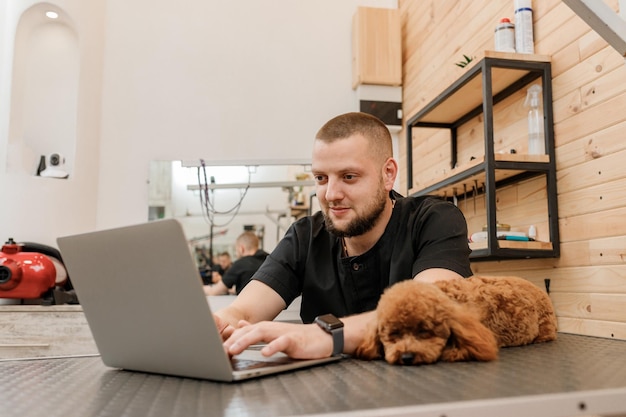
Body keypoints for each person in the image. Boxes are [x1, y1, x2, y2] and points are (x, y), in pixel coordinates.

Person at [214, 112, 472, 361]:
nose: (330, 194)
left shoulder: (435, 221)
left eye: (349, 177)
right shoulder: (304, 237)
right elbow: (244, 311)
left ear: (388, 174)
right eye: (321, 178)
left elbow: (428, 308)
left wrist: (324, 337)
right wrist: (218, 325)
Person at [204, 232, 269, 296]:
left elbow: (214, 291)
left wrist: (201, 288)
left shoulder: (241, 264)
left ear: (241, 249)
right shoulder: (269, 260)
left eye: (236, 250)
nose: (236, 253)